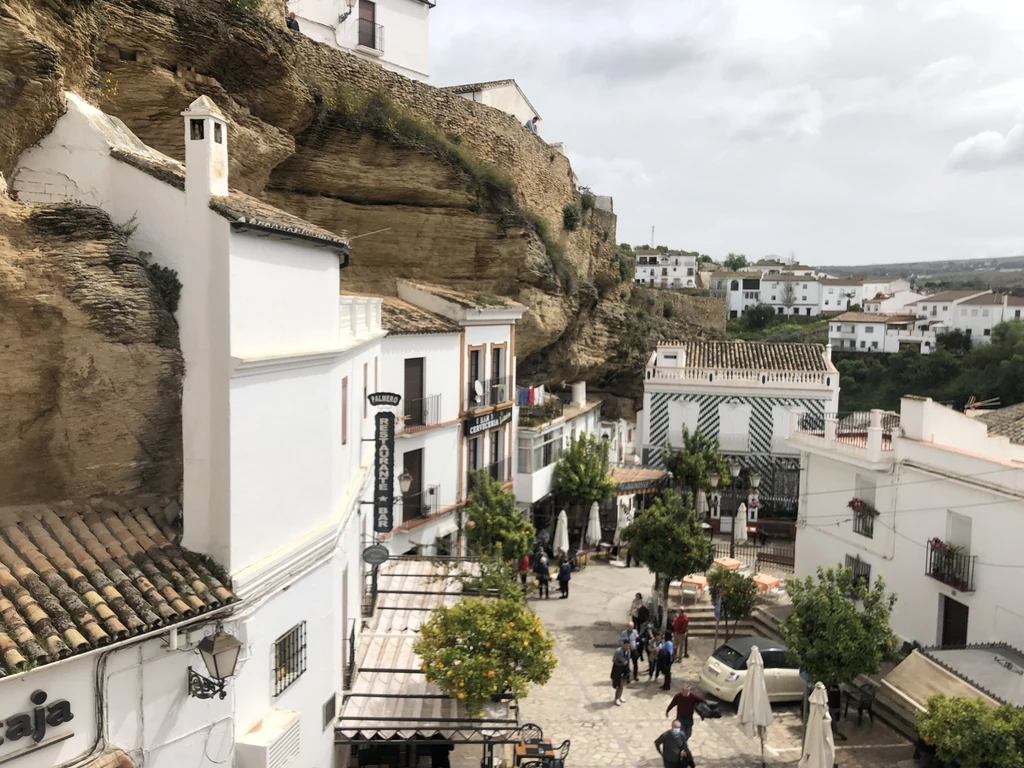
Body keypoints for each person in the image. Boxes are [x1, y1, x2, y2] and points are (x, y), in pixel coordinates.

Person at [611, 640, 631, 706]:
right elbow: (614, 659)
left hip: (624, 669)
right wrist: (621, 662)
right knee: (619, 684)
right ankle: (616, 698)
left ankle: (620, 696)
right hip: (618, 669)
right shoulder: (618, 651)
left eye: (628, 645)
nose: (627, 647)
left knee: (622, 684)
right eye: (626, 645)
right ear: (623, 644)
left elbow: (628, 660)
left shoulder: (628, 651)